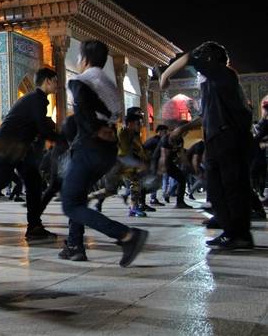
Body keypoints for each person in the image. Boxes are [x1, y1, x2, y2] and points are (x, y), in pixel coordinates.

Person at [57, 40, 148, 266]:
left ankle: (126, 235)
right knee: (78, 198)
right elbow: (115, 114)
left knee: (70, 205)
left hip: (88, 148)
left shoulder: (80, 81)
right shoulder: (109, 83)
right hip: (106, 152)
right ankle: (74, 246)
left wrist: (93, 129)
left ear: (85, 59)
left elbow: (83, 105)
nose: (78, 61)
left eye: (79, 57)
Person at [160, 41, 254, 249]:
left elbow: (189, 57)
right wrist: (183, 129)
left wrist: (164, 76)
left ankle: (239, 235)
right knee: (217, 187)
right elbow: (205, 116)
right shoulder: (213, 83)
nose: (198, 69)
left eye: (203, 59)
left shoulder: (221, 74)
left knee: (231, 187)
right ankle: (230, 229)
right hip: (217, 140)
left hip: (227, 138)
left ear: (210, 60)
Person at [0, 68, 61, 242]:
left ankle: (34, 227)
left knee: (32, 182)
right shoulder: (37, 100)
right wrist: (63, 138)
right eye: (55, 81)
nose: (57, 85)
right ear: (47, 81)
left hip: (16, 148)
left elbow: (37, 127)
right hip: (8, 146)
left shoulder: (34, 99)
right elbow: (42, 128)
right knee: (1, 182)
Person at [144, 125, 169, 205]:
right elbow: (144, 149)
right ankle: (153, 199)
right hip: (153, 163)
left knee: (156, 181)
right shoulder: (155, 141)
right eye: (165, 132)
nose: (166, 133)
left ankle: (153, 198)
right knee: (154, 180)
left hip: (154, 163)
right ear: (160, 131)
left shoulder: (155, 140)